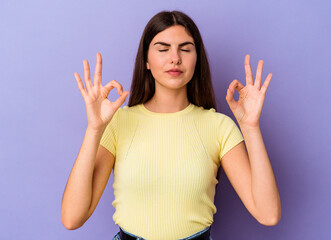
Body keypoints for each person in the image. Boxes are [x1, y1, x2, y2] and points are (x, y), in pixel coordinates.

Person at [61, 10, 281, 240]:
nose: (175, 58)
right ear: (146, 60)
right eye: (163, 49)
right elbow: (72, 218)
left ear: (197, 59)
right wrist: (94, 129)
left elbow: (268, 214)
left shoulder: (219, 127)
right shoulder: (118, 123)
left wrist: (251, 127)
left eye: (185, 49)